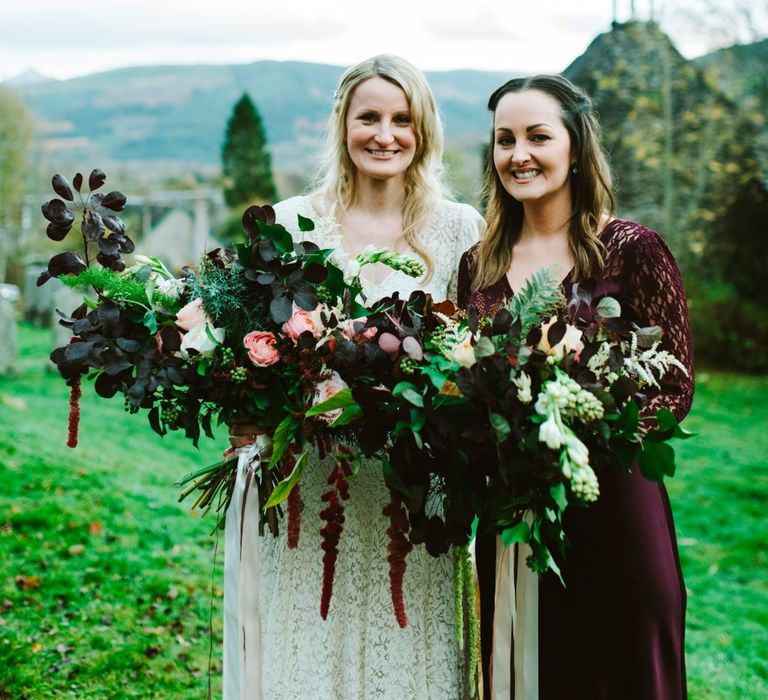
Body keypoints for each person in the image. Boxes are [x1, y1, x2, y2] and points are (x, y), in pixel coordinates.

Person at [225, 54, 484, 699]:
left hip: (413, 488)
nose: (384, 134)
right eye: (369, 117)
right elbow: (251, 350)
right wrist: (247, 401)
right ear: (344, 123)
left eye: (402, 119)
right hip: (309, 484)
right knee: (308, 646)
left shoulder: (460, 230)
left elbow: (476, 362)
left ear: (421, 132)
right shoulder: (291, 223)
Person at [457, 75, 694, 699]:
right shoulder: (477, 265)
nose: (519, 154)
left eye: (538, 136)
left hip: (614, 504)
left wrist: (573, 433)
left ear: (575, 145)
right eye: (504, 139)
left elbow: (675, 387)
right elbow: (463, 379)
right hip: (514, 514)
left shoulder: (633, 250)